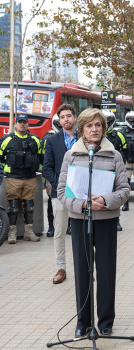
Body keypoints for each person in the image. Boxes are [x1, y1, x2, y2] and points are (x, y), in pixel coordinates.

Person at [57, 108, 129, 337]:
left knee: (106, 271)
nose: (95, 129)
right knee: (82, 271)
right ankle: (83, 322)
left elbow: (125, 190)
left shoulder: (114, 155)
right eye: (89, 125)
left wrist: (105, 200)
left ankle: (106, 321)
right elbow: (61, 192)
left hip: (107, 220)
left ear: (104, 128)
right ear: (82, 130)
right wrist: (83, 205)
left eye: (98, 125)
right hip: (80, 221)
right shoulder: (72, 155)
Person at [43, 104, 78, 284]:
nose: (66, 119)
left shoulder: (85, 138)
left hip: (82, 193)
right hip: (60, 193)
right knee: (60, 232)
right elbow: (47, 168)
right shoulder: (52, 141)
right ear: (59, 120)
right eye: (63, 117)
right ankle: (61, 268)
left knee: (84, 232)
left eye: (69, 116)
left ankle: (85, 268)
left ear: (75, 117)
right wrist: (60, 185)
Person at [0, 114, 42, 244]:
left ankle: (29, 233)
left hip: (30, 177)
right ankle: (11, 233)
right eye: (20, 122)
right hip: (13, 178)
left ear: (28, 124)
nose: (22, 124)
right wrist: (6, 170)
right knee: (13, 207)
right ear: (15, 124)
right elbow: (0, 157)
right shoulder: (6, 139)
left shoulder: (35, 139)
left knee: (29, 206)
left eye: (25, 122)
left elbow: (40, 156)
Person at [103, 109, 127, 231]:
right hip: (102, 171)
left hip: (115, 170)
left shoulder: (119, 135)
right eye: (104, 120)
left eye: (108, 120)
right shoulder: (98, 135)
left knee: (115, 195)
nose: (106, 123)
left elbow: (124, 151)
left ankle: (116, 221)